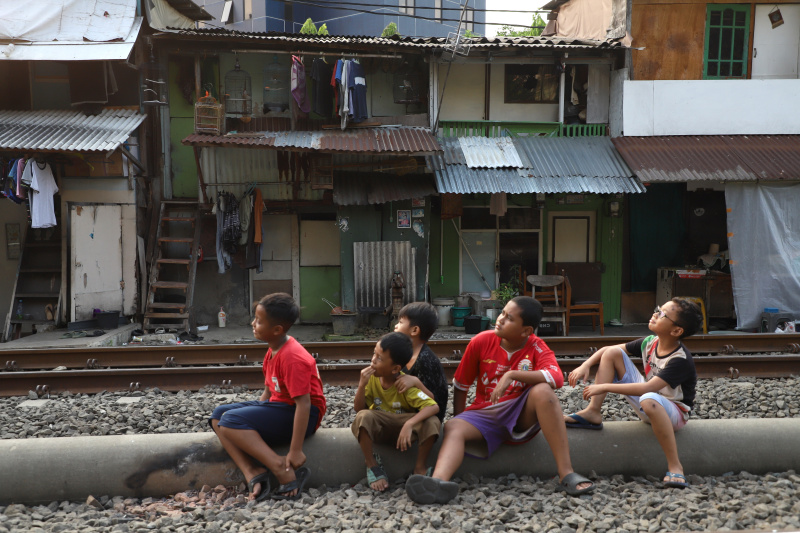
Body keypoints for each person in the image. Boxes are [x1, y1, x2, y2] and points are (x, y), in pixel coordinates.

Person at [405, 296, 594, 504]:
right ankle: (437, 483)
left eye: (509, 318)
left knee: (544, 392)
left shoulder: (536, 346)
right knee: (454, 427)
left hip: (520, 415)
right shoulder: (481, 341)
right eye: (502, 313)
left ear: (526, 331)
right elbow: (460, 386)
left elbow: (557, 378)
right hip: (484, 415)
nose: (500, 319)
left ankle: (566, 473)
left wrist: (512, 375)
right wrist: (462, 420)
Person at [563, 298, 703, 489]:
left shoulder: (680, 359)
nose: (655, 314)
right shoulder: (650, 342)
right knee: (612, 353)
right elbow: (607, 349)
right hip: (649, 402)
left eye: (662, 314)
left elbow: (647, 388)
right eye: (657, 309)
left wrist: (604, 386)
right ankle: (593, 411)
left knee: (648, 397)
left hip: (673, 413)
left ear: (676, 331)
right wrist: (585, 365)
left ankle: (675, 466)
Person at [209, 293, 326, 501]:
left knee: (230, 421)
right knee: (219, 416)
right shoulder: (274, 348)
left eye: (259, 321)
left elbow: (304, 404)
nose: (253, 323)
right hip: (281, 407)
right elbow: (269, 392)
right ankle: (252, 471)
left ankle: (280, 467)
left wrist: (296, 450)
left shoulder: (292, 358)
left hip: (304, 415)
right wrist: (254, 418)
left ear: (277, 330)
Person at [353, 332, 441, 492]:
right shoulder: (372, 379)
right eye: (374, 353)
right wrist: (361, 385)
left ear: (396, 368)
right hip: (382, 427)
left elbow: (434, 406)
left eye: (379, 358)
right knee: (363, 416)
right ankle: (372, 464)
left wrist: (409, 423)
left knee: (432, 421)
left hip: (404, 431)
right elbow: (359, 409)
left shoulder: (404, 384)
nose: (373, 360)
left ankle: (419, 468)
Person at [394, 302, 449, 424]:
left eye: (400, 323)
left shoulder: (426, 360)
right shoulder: (404, 352)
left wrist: (416, 382)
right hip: (408, 409)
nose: (396, 326)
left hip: (427, 416)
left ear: (414, 330)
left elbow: (435, 402)